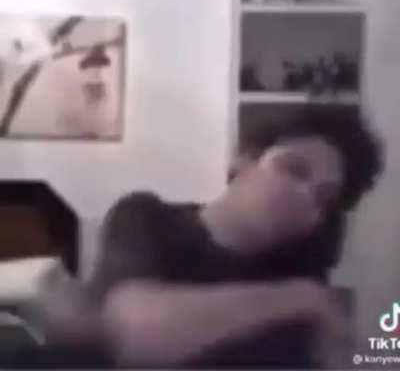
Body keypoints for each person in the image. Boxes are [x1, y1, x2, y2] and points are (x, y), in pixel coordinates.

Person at [29, 106, 383, 369]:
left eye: (323, 198)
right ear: (243, 161)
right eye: (294, 169)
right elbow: (138, 332)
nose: (305, 197)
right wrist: (300, 298)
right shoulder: (148, 217)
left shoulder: (301, 261)